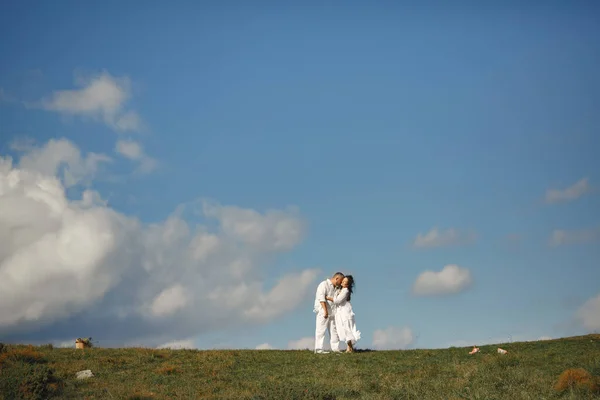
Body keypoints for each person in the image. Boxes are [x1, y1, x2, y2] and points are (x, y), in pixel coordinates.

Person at [327, 275, 360, 353]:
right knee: (343, 328)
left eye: (345, 282)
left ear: (347, 284)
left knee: (347, 328)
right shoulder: (340, 290)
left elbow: (337, 301)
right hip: (340, 312)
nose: (342, 282)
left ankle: (350, 347)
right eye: (343, 281)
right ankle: (349, 347)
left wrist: (328, 298)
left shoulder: (345, 291)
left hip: (345, 312)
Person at [314, 272, 344, 354]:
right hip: (323, 312)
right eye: (341, 281)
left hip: (333, 312)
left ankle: (335, 349)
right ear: (336, 278)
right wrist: (325, 311)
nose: (341, 283)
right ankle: (318, 349)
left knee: (334, 331)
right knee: (321, 330)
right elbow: (321, 298)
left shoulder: (337, 288)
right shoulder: (324, 284)